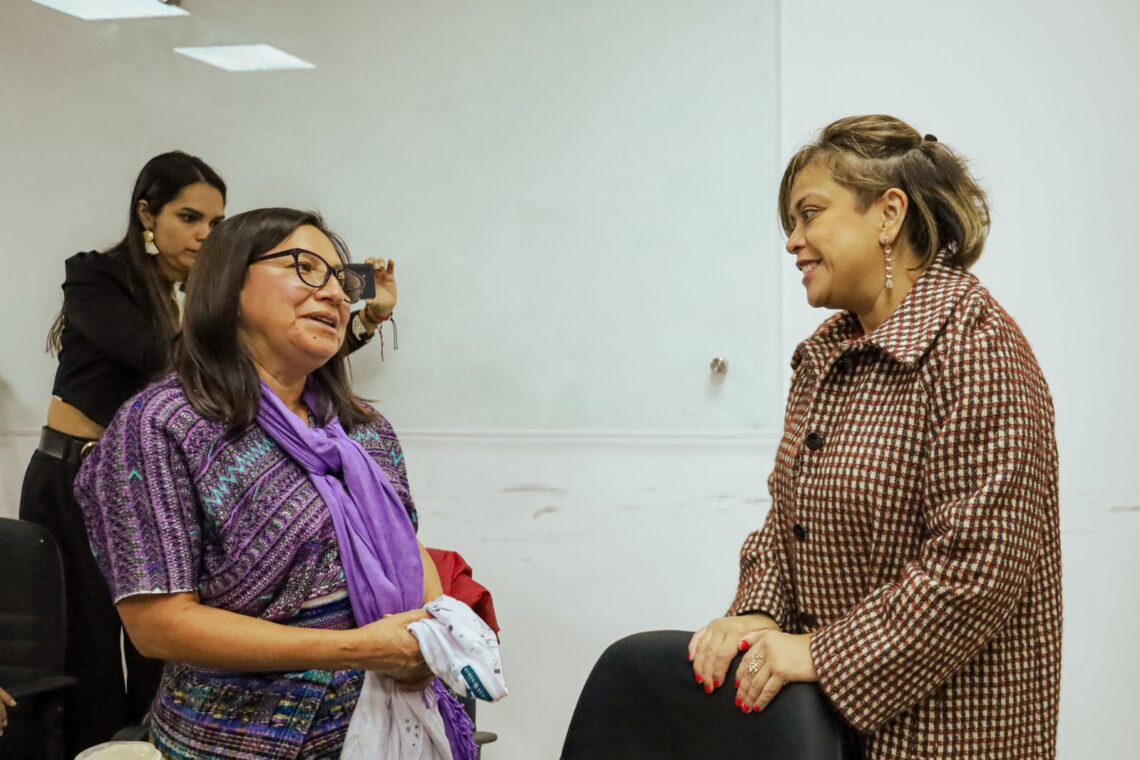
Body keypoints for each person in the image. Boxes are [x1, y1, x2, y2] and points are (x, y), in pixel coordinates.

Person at [561, 115, 1062, 759]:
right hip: (820, 727)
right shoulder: (826, 354)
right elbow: (786, 521)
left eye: (810, 214)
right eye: (791, 223)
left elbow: (976, 570)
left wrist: (821, 654)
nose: (794, 241)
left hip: (947, 735)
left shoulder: (978, 349)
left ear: (888, 215)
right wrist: (759, 611)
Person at [19, 153, 397, 754]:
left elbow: (269, 360)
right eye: (190, 218)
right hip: (78, 468)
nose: (204, 235)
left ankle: (152, 729)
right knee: (91, 643)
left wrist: (352, 320)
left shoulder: (360, 431)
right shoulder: (100, 279)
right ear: (147, 214)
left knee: (169, 663)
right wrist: (229, 316)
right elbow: (164, 358)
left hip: (323, 712)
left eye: (217, 224)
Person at [73, 208, 476, 759]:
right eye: (305, 267)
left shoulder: (363, 429)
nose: (335, 294)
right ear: (230, 285)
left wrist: (427, 634)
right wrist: (357, 649)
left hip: (387, 727)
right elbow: (159, 626)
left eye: (341, 281)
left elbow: (406, 545)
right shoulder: (162, 425)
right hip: (235, 739)